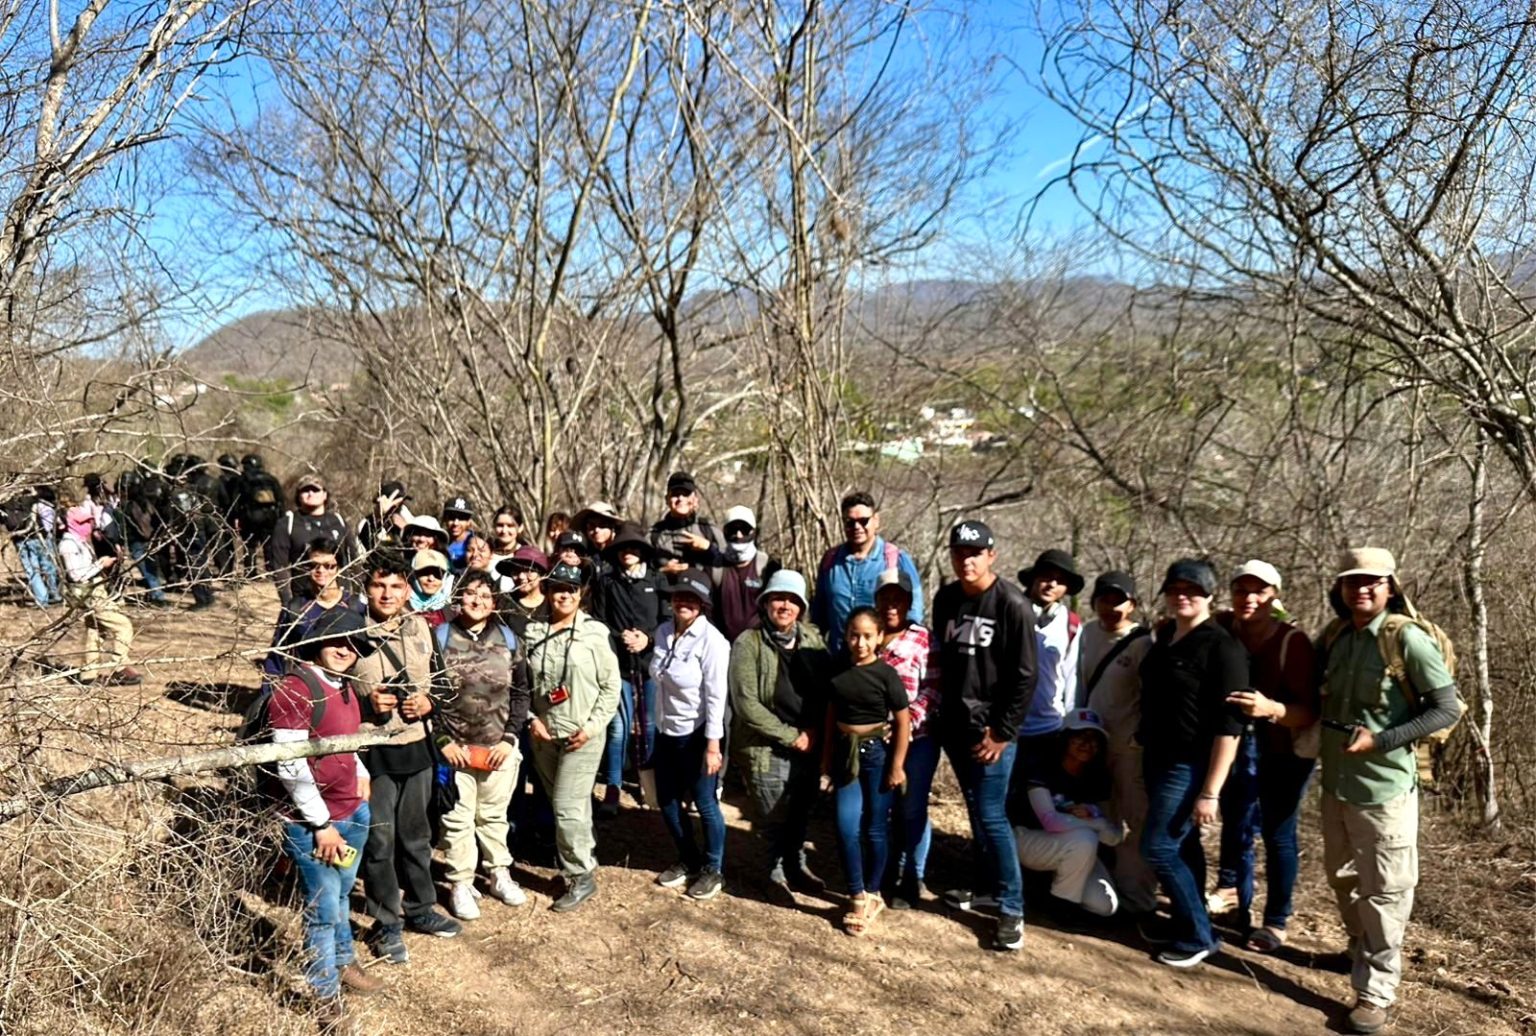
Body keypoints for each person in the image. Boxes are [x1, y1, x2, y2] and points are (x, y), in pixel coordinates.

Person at [1317, 549, 1460, 1035]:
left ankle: (1375, 992)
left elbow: (1447, 708)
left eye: (1372, 581)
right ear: (1340, 588)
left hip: (1385, 789)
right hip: (1337, 784)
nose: (1361, 589)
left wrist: (1381, 740)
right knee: (1341, 878)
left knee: (1385, 893)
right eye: (1352, 581)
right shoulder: (1337, 636)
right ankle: (1359, 951)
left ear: (1390, 586)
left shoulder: (1407, 639)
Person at [269, 606, 380, 1018]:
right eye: (336, 640)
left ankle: (343, 960)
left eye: (353, 644)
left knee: (343, 894)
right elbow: (289, 764)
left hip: (352, 812)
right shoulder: (296, 689)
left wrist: (361, 772)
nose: (345, 649)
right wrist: (320, 824)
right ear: (317, 641)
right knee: (322, 909)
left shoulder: (343, 685)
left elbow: (342, 742)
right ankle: (323, 994)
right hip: (314, 825)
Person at [928, 519, 1034, 952]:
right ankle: (989, 888)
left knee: (992, 815)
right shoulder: (947, 598)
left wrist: (1002, 732)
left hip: (992, 732)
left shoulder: (1012, 604)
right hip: (955, 726)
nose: (966, 560)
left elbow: (1025, 676)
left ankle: (1013, 908)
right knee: (976, 810)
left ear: (991, 555)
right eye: (959, 553)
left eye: (975, 553)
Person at [351, 552, 462, 962]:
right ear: (366, 589)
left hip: (417, 745)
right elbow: (330, 692)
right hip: (372, 749)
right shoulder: (349, 629)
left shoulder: (420, 627)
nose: (387, 594)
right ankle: (386, 923)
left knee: (417, 835)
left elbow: (443, 683)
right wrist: (367, 703)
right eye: (379, 586)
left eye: (396, 586)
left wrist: (429, 702)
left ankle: (421, 908)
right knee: (380, 839)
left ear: (407, 590)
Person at [1137, 558, 1247, 969]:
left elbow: (1230, 728)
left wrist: (1210, 792)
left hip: (1190, 764)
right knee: (1183, 845)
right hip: (1156, 756)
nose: (1182, 596)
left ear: (1210, 595)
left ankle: (1201, 935)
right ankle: (1186, 924)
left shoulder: (1222, 648)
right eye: (1175, 589)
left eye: (1193, 590)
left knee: (1159, 847)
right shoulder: (1166, 636)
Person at [1213, 560, 1320, 953]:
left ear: (1274, 597)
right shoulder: (1224, 627)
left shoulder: (1293, 643)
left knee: (1278, 834)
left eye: (1259, 591)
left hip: (1286, 751)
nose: (1250, 598)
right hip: (1236, 747)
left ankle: (1275, 922)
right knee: (1235, 822)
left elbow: (1310, 712)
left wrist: (1270, 708)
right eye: (1241, 590)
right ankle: (1231, 901)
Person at [434, 570, 532, 920]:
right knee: (457, 818)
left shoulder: (509, 639)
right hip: (455, 749)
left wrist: (510, 737)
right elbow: (431, 696)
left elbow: (521, 692)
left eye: (485, 596)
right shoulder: (439, 638)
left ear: (495, 603)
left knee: (493, 815)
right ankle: (460, 882)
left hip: (498, 747)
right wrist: (443, 740)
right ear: (457, 597)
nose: (477, 601)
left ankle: (498, 873)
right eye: (470, 594)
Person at [524, 562, 621, 911]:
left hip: (582, 736)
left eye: (571, 590)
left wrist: (592, 728)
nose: (564, 595)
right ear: (547, 592)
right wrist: (532, 720)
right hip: (544, 735)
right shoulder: (533, 632)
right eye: (557, 589)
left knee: (566, 808)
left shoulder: (595, 633)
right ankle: (586, 850)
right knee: (568, 804)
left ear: (581, 594)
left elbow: (611, 688)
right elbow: (521, 685)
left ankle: (580, 875)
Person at [728, 570, 830, 892]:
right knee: (773, 816)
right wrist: (791, 736)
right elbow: (746, 703)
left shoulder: (813, 639)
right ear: (766, 603)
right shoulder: (748, 642)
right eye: (778, 598)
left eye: (792, 600)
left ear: (801, 607)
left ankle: (796, 867)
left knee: (800, 812)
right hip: (766, 745)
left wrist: (815, 733)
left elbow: (826, 689)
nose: (785, 606)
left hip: (809, 741)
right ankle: (772, 873)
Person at [824, 607, 910, 936]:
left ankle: (873, 892)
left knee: (875, 828)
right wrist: (825, 763)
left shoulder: (886, 675)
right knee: (846, 826)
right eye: (854, 635)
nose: (860, 643)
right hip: (845, 757)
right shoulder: (838, 670)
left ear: (879, 638)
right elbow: (830, 717)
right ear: (846, 636)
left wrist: (897, 765)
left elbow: (902, 721)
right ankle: (856, 894)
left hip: (876, 756)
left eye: (867, 636)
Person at [1078, 571, 1157, 919]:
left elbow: (1152, 695)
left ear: (1132, 605)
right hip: (1090, 743)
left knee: (1136, 821)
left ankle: (1137, 896)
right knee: (1097, 814)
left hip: (1129, 747)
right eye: (1104, 599)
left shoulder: (1142, 643)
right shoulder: (1086, 633)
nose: (1111, 607)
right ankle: (1099, 888)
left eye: (1119, 601)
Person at [649, 569, 731, 901]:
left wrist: (713, 745)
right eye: (679, 596)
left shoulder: (713, 641)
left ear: (703, 604)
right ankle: (688, 857)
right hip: (665, 730)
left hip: (696, 734)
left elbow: (716, 696)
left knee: (705, 802)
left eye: (692, 598)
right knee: (666, 800)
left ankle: (713, 868)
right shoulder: (663, 632)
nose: (683, 603)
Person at [1015, 708, 1122, 922]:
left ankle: (1046, 890)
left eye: (1094, 739)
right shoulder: (1042, 768)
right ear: (1065, 738)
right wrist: (1094, 824)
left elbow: (1113, 837)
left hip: (1075, 847)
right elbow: (1050, 821)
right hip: (1027, 838)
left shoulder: (1098, 778)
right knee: (1085, 839)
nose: (1087, 744)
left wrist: (1094, 814)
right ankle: (1061, 907)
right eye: (1080, 736)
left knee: (1105, 905)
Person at [593, 523, 668, 814]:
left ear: (643, 551)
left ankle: (648, 786)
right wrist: (619, 636)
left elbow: (666, 621)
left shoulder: (656, 580)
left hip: (650, 665)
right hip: (618, 665)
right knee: (618, 727)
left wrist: (647, 639)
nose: (628, 552)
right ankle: (613, 787)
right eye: (622, 547)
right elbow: (599, 620)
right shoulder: (607, 581)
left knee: (649, 725)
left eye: (634, 547)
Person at [875, 569, 937, 911]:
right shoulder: (868, 634)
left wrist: (908, 720)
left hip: (918, 737)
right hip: (875, 738)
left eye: (897, 598)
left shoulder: (923, 638)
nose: (891, 605)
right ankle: (884, 869)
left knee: (912, 807)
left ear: (909, 602)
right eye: (885, 598)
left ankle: (912, 874)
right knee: (882, 808)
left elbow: (933, 689)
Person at [813, 491, 924, 653]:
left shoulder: (896, 559)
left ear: (876, 520)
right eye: (850, 522)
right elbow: (819, 615)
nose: (857, 527)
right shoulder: (830, 561)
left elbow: (914, 614)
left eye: (863, 521)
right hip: (838, 659)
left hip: (883, 657)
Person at [263, 538, 366, 688]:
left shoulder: (356, 606)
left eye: (329, 566)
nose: (321, 571)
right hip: (306, 686)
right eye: (313, 565)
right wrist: (270, 694)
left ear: (339, 568)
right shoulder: (295, 609)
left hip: (346, 687)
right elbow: (276, 657)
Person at [58, 503, 141, 685]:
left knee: (95, 631)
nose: (87, 525)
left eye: (88, 521)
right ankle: (120, 667)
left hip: (94, 591)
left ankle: (88, 675)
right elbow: (76, 575)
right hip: (87, 594)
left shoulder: (80, 541)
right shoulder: (68, 545)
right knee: (123, 626)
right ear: (71, 524)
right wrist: (100, 565)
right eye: (82, 522)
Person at [1015, 549, 1085, 758]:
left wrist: (1071, 724)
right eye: (1046, 577)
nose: (1052, 584)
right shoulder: (1010, 612)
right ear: (1034, 578)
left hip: (1050, 727)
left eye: (1060, 581)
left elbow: (1071, 677)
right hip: (1008, 728)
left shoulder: (1071, 625)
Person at [267, 474, 357, 605]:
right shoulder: (288, 523)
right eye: (305, 490)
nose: (310, 493)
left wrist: (356, 595)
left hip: (339, 598)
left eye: (315, 490)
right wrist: (288, 602)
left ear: (325, 494)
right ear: (298, 496)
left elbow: (353, 559)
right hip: (304, 598)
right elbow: (280, 567)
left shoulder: (338, 521)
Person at [710, 505, 781, 642]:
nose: (739, 535)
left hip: (760, 644)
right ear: (724, 532)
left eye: (744, 529)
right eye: (733, 530)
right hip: (722, 645)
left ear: (753, 532)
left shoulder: (768, 566)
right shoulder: (714, 568)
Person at [648, 471, 723, 576]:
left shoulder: (710, 530)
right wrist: (662, 573)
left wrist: (709, 548)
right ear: (667, 499)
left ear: (695, 500)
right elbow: (639, 574)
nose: (680, 499)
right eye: (675, 494)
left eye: (686, 494)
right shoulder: (653, 535)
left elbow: (731, 566)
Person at [235, 453, 283, 578]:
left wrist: (237, 516)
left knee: (250, 546)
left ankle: (250, 572)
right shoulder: (271, 479)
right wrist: (281, 516)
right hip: (270, 517)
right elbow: (280, 499)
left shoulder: (242, 480)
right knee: (269, 545)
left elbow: (236, 500)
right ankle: (272, 571)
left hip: (250, 517)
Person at [13, 485, 61, 608]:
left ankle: (46, 597)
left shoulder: (36, 505)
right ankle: (54, 594)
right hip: (43, 537)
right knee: (47, 566)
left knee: (38, 568)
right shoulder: (46, 505)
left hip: (37, 537)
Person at [496, 546, 550, 638]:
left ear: (541, 574)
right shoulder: (503, 604)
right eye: (516, 571)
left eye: (528, 571)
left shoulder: (552, 604)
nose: (521, 576)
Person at [357, 480, 413, 553]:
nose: (399, 505)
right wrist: (379, 518)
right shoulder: (368, 523)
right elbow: (366, 543)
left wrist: (405, 529)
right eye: (396, 501)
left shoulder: (405, 515)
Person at [572, 501, 621, 581]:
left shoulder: (621, 554)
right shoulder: (581, 555)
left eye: (602, 525)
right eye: (591, 525)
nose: (596, 530)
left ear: (612, 528)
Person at [408, 549, 453, 627]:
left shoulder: (451, 612)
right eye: (425, 572)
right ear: (414, 575)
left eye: (437, 574)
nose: (431, 579)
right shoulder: (402, 606)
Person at [486, 505, 530, 580]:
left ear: (520, 528)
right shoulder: (484, 553)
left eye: (510, 526)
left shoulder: (526, 555)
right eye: (500, 525)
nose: (504, 530)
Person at [441, 495, 475, 572]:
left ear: (469, 521)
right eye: (451, 517)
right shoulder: (440, 542)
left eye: (461, 518)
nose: (455, 523)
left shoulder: (477, 543)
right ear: (445, 519)